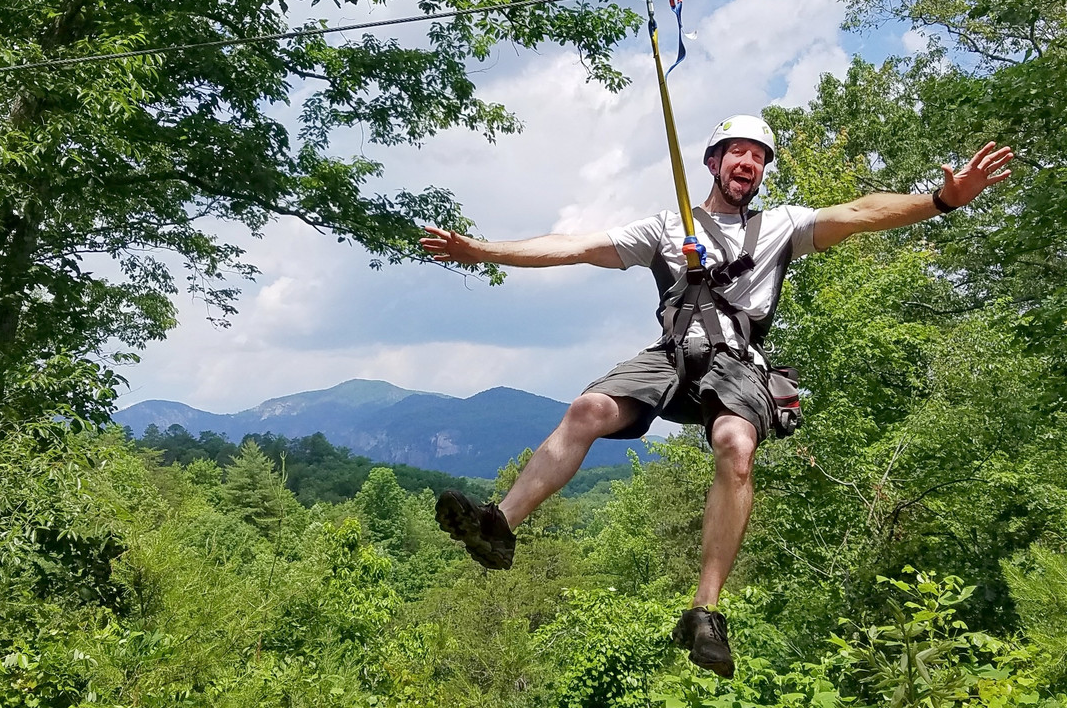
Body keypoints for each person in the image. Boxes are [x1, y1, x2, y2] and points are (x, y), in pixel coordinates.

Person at [419, 114, 1013, 678]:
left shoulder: (780, 227)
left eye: (759, 157)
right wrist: (484, 250)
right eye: (738, 152)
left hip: (736, 360)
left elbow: (860, 212)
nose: (749, 163)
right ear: (712, 161)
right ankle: (498, 526)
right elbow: (573, 245)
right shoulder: (663, 227)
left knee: (735, 445)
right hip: (673, 354)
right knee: (588, 409)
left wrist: (938, 202)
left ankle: (704, 613)